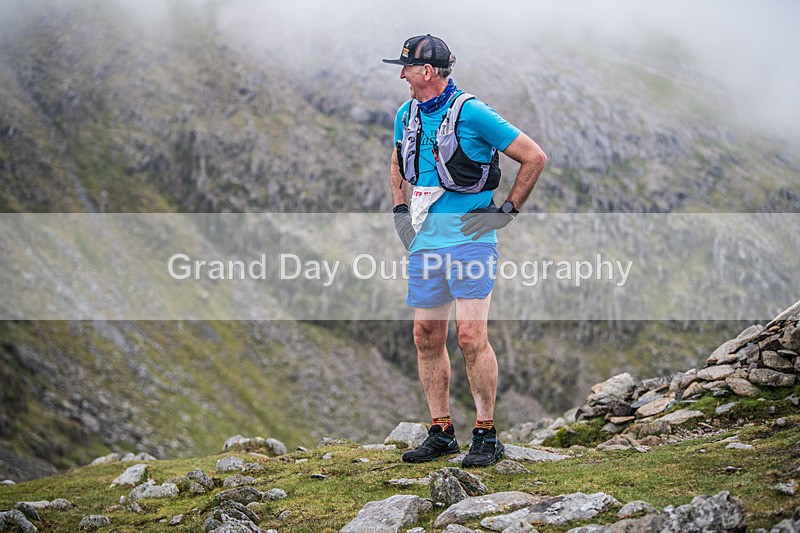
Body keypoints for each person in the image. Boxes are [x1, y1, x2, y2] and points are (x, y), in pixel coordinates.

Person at [383, 34, 547, 467]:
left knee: (471, 337)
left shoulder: (473, 112)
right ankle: (441, 432)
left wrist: (506, 212)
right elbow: (398, 163)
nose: (401, 75)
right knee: (426, 337)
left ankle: (487, 434)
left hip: (473, 241)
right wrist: (401, 213)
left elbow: (533, 157)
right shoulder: (406, 114)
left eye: (406, 67)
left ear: (428, 72)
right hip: (425, 243)